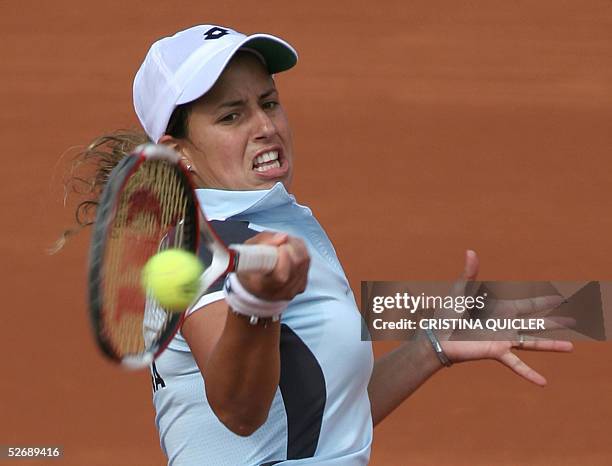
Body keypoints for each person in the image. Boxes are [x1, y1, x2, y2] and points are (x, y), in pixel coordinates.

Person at [66, 24, 573, 466]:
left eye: (268, 103)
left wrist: (430, 346)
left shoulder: (272, 215)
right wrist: (256, 304)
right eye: (231, 116)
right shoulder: (197, 244)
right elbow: (240, 411)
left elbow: (321, 421)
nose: (265, 127)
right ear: (180, 154)